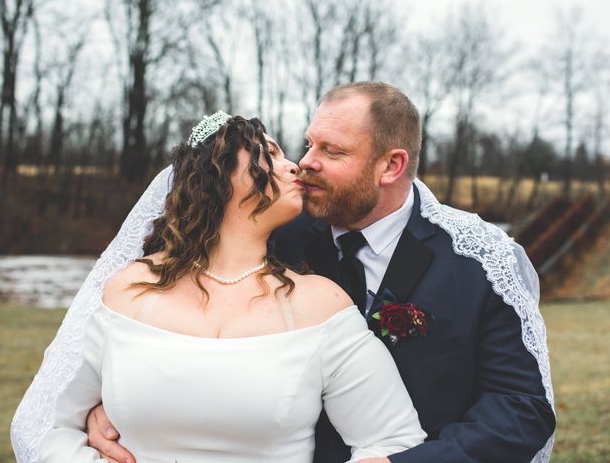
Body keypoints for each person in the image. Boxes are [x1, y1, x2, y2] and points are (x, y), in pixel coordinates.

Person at [86, 82, 556, 463]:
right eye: (309, 143)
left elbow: (522, 409)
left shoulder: (478, 260)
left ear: (391, 165)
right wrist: (112, 404)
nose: (306, 162)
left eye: (331, 151)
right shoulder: (271, 232)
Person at [10, 113, 426, 462]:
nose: (294, 165)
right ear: (218, 176)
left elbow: (392, 440)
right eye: (272, 153)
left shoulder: (320, 304)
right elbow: (52, 424)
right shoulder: (131, 292)